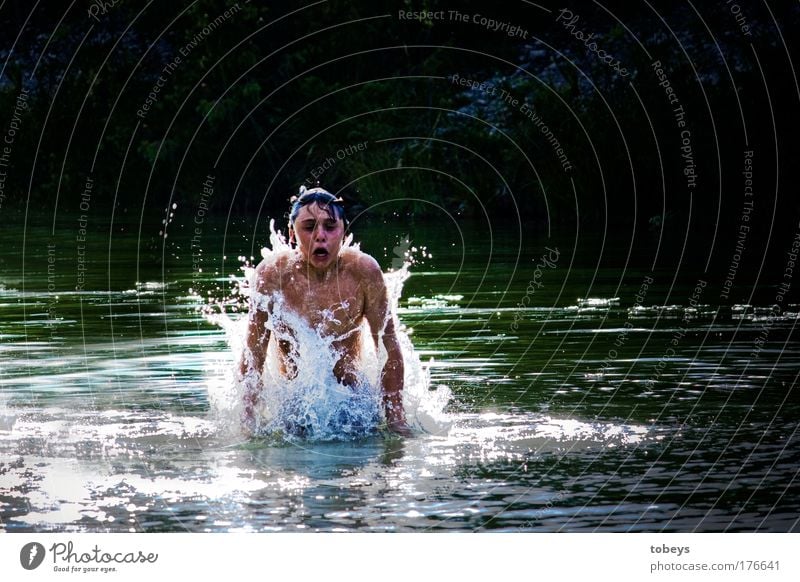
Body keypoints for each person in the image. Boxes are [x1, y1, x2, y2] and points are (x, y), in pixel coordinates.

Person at [238, 186, 411, 436]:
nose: (320, 236)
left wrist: (396, 419)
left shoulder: (364, 272)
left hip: (352, 404)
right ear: (292, 234)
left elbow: (389, 347)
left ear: (344, 231)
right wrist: (247, 423)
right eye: (309, 227)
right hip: (294, 407)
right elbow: (253, 355)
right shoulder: (272, 275)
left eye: (330, 226)